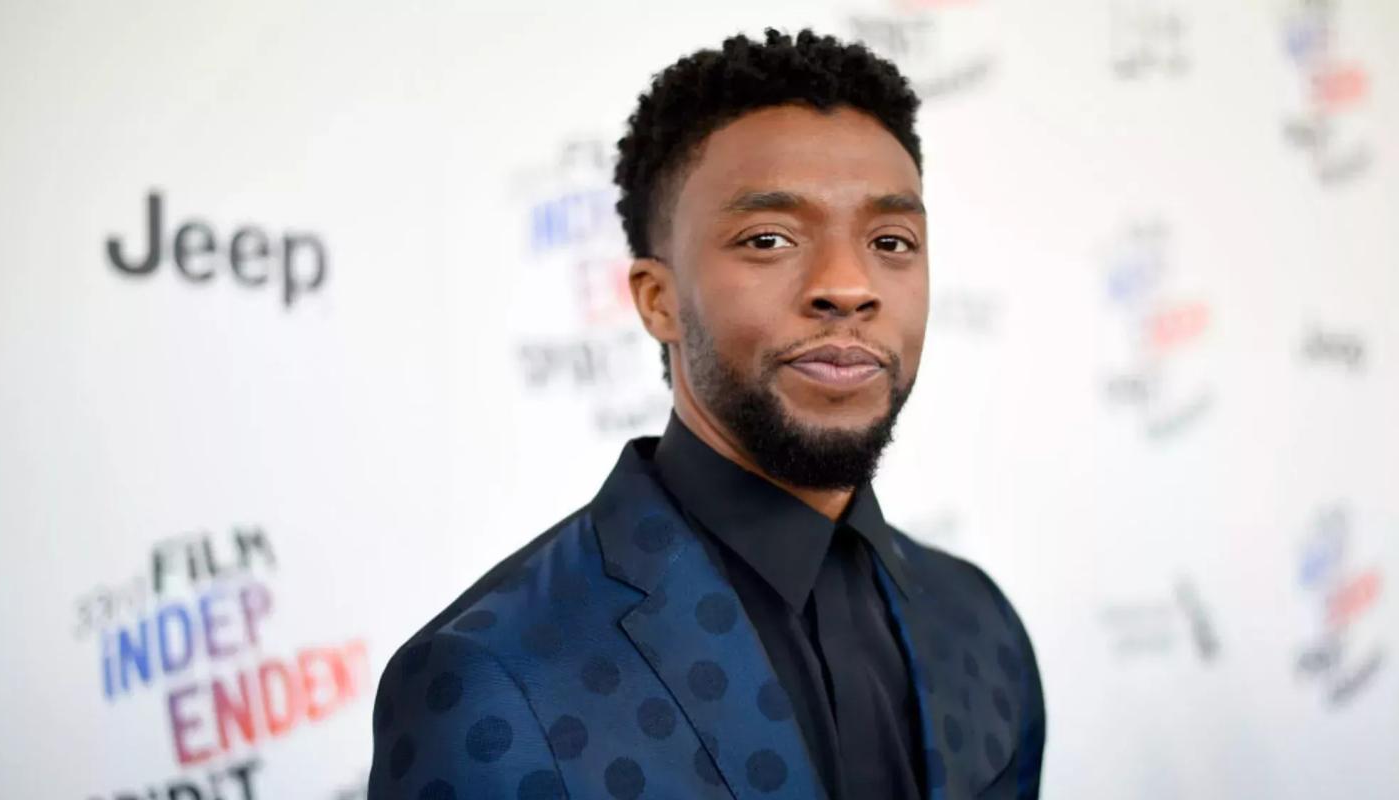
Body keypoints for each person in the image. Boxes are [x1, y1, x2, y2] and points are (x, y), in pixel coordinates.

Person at [369, 28, 1045, 800]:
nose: (848, 285)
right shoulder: (492, 683)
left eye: (891, 240)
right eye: (769, 238)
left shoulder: (981, 623)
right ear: (658, 300)